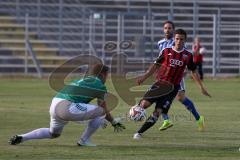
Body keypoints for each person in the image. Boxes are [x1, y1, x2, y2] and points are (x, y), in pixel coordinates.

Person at [9, 64, 125, 146]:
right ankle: (84, 141)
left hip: (55, 104)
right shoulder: (100, 85)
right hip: (67, 107)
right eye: (107, 74)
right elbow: (103, 108)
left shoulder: (83, 79)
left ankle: (22, 137)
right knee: (101, 112)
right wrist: (114, 122)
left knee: (53, 133)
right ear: (104, 74)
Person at [133, 29, 211, 139]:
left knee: (158, 112)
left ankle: (139, 133)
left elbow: (193, 71)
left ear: (185, 40)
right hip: (159, 84)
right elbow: (156, 65)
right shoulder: (166, 51)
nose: (179, 41)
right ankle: (134, 113)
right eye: (177, 39)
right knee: (144, 104)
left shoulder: (187, 55)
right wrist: (144, 77)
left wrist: (201, 87)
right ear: (174, 39)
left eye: (181, 39)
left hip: (172, 89)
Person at [157, 21, 206, 131]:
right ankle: (166, 120)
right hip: (164, 76)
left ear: (173, 30)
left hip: (177, 77)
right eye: (165, 28)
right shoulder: (160, 43)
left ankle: (198, 118)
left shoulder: (181, 43)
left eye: (169, 28)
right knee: (159, 96)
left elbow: (186, 60)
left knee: (181, 98)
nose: (167, 30)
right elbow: (161, 60)